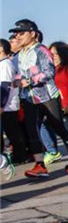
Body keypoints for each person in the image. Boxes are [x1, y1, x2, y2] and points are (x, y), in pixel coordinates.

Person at [9, 19, 68, 177]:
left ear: (33, 34)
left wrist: (29, 80)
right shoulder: (18, 56)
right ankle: (39, 164)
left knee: (58, 127)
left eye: (21, 33)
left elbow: (49, 73)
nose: (18, 36)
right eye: (16, 34)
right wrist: (16, 81)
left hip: (47, 95)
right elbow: (15, 73)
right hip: (28, 98)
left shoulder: (41, 50)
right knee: (31, 131)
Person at [1, 38, 24, 173]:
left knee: (13, 131)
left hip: (8, 105)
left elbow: (5, 86)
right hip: (5, 105)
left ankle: (20, 156)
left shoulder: (6, 65)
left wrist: (1, 104)